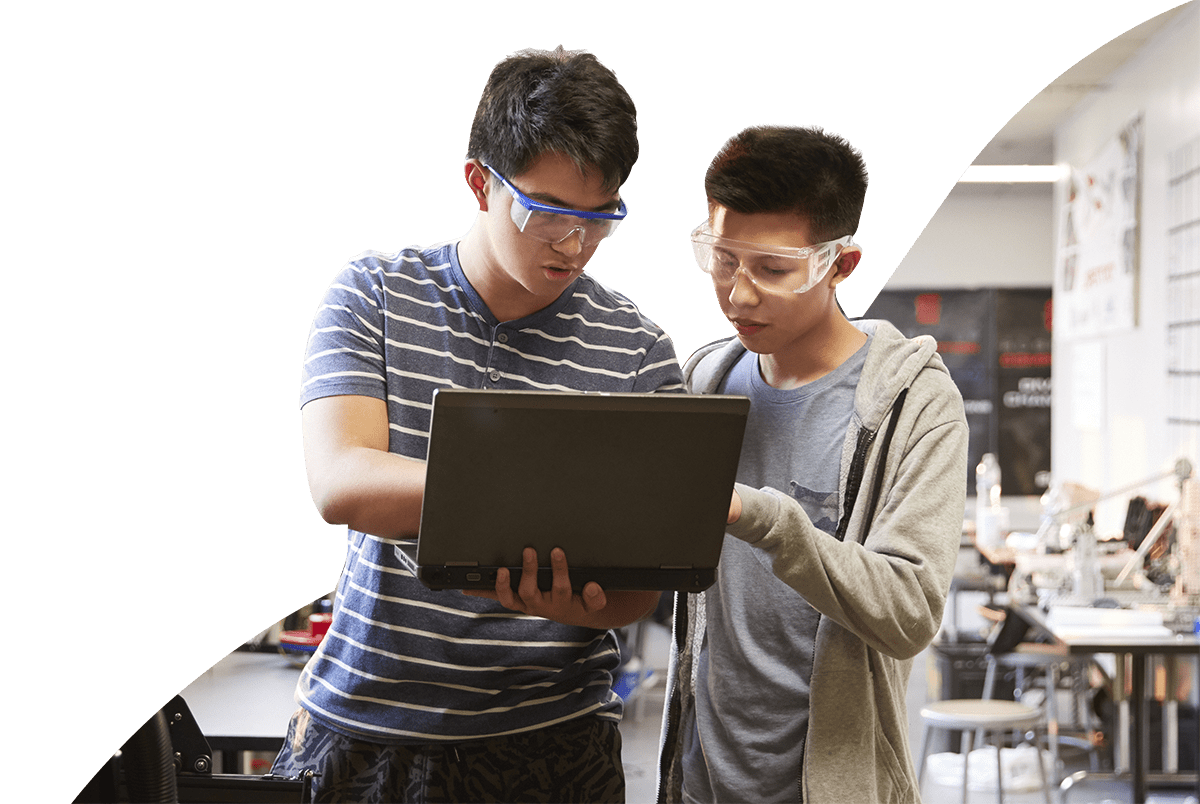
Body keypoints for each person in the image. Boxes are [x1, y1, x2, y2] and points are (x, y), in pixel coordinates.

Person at [272, 46, 683, 804]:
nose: (575, 245)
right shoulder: (374, 293)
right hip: (368, 733)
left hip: (555, 744)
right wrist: (557, 496)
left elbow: (639, 588)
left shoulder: (639, 349)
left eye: (600, 218)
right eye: (549, 213)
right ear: (479, 182)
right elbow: (343, 483)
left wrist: (563, 598)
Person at [657, 124, 968, 803]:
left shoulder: (914, 404)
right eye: (722, 260)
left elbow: (910, 611)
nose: (738, 294)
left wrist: (763, 518)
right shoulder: (707, 378)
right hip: (702, 778)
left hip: (829, 785)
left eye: (771, 270)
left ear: (840, 264)